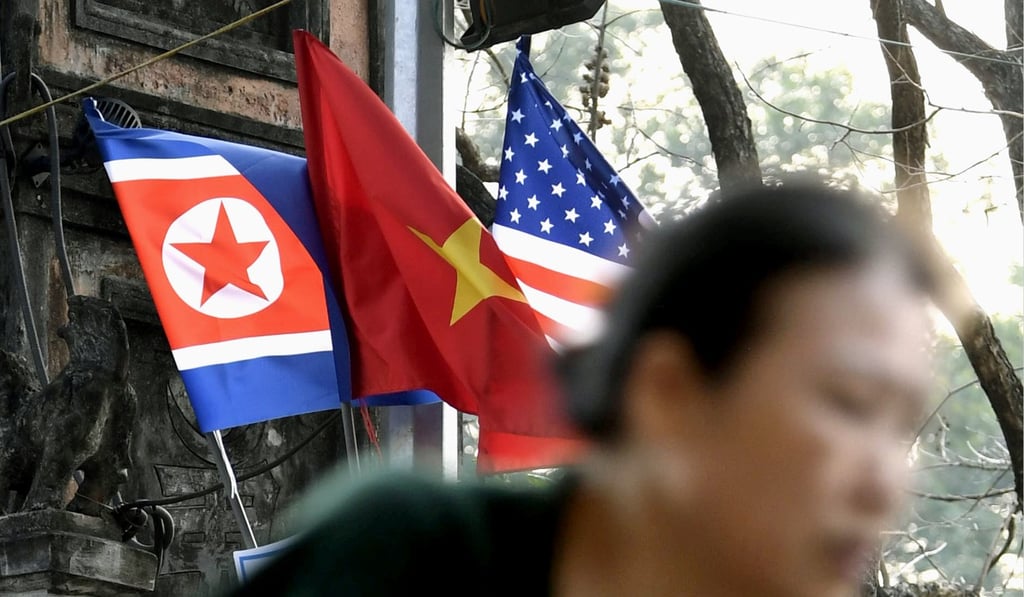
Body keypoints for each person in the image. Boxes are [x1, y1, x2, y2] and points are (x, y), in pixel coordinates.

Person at [229, 180, 935, 597]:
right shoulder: (410, 558)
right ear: (669, 392)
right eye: (850, 402)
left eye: (902, 427)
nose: (887, 486)